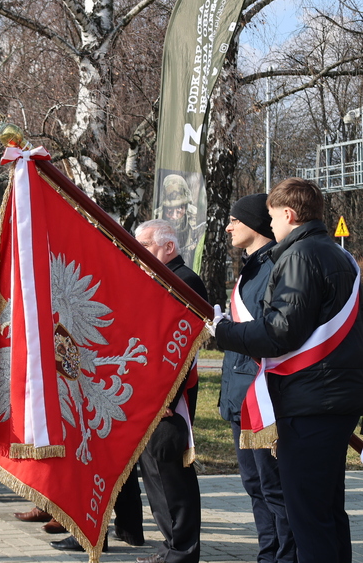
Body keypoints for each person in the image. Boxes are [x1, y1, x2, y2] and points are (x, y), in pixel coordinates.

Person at [213, 178, 363, 563]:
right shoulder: (338, 255)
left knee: (307, 518)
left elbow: (281, 331)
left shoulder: (300, 256)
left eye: (272, 217)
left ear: (288, 214)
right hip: (335, 397)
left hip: (310, 401)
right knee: (328, 513)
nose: (271, 225)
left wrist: (224, 331)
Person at [218, 194, 295, 563]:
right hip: (241, 395)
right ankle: (269, 554)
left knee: (273, 488)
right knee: (254, 485)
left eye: (235, 219)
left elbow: (272, 331)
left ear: (255, 224)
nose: (229, 226)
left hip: (261, 396)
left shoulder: (274, 267)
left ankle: (284, 557)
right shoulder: (250, 267)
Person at [131, 219, 204, 563]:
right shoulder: (158, 279)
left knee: (172, 474)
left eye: (145, 246)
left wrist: (167, 399)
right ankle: (171, 547)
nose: (138, 253)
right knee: (156, 474)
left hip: (169, 401)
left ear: (169, 247)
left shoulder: (185, 281)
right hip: (151, 396)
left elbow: (181, 349)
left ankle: (182, 550)